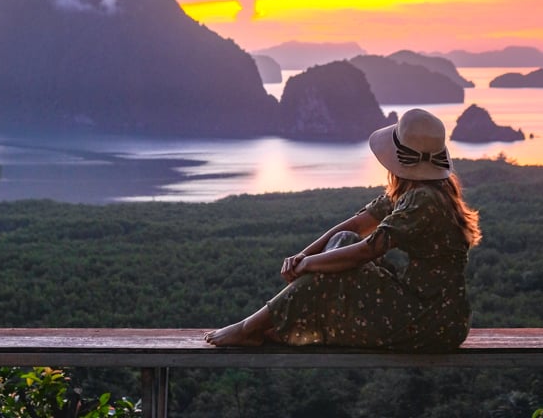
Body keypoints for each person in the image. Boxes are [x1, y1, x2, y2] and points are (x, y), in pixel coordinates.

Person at [204, 108, 481, 350]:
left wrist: (308, 265)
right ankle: (270, 326)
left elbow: (366, 251)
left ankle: (249, 328)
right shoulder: (418, 190)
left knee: (330, 271)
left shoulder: (423, 199)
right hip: (432, 310)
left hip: (431, 320)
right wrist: (301, 257)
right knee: (342, 239)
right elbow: (355, 226)